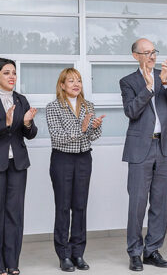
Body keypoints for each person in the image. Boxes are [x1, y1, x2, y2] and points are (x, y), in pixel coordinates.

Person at [120, 38, 167, 271]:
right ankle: (135, 252)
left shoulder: (165, 76)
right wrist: (148, 89)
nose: (151, 56)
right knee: (137, 203)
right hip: (140, 149)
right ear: (135, 56)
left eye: (154, 51)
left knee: (161, 201)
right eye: (146, 52)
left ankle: (152, 250)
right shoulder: (128, 81)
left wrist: (165, 83)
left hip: (165, 147)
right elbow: (131, 111)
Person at [46, 68, 105, 272]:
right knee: (63, 207)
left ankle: (78, 253)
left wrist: (95, 126)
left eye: (78, 80)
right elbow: (57, 136)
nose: (76, 84)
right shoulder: (53, 107)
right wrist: (82, 129)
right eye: (70, 80)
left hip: (83, 158)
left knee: (80, 206)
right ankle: (63, 255)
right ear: (62, 85)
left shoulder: (88, 106)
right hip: (62, 159)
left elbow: (93, 136)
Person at [0, 58, 37, 275]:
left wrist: (27, 123)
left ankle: (12, 263)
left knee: (15, 214)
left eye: (13, 72)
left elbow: (30, 135)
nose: (12, 76)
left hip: (18, 164)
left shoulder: (21, 99)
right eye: (6, 73)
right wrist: (5, 123)